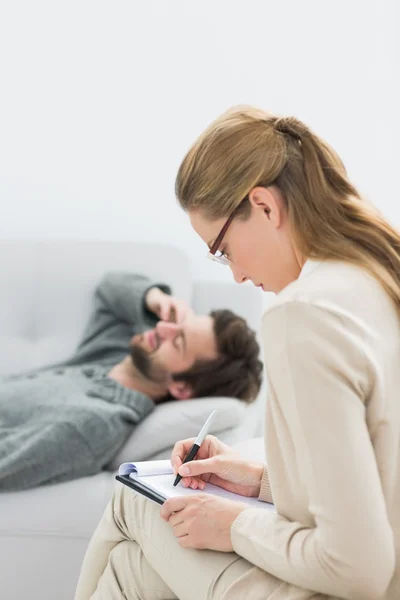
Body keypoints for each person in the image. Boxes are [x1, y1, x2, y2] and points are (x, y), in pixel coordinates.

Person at [75, 105, 400, 600]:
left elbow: (357, 567)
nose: (237, 276)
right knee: (132, 569)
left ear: (265, 206)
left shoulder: (304, 314)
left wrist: (234, 526)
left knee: (132, 499)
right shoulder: (380, 274)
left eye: (223, 250)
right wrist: (259, 484)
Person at [0, 271, 262, 491]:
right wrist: (155, 298)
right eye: (175, 323)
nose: (161, 328)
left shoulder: (93, 424)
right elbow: (111, 287)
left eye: (177, 340)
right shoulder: (111, 351)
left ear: (181, 387)